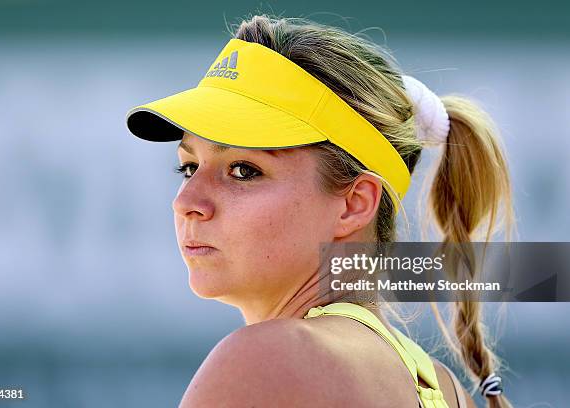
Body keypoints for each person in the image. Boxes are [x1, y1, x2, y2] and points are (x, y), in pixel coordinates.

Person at [126, 13, 514, 408]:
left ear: (354, 204)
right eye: (189, 167)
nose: (187, 202)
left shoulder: (267, 361)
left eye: (244, 170)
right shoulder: (451, 392)